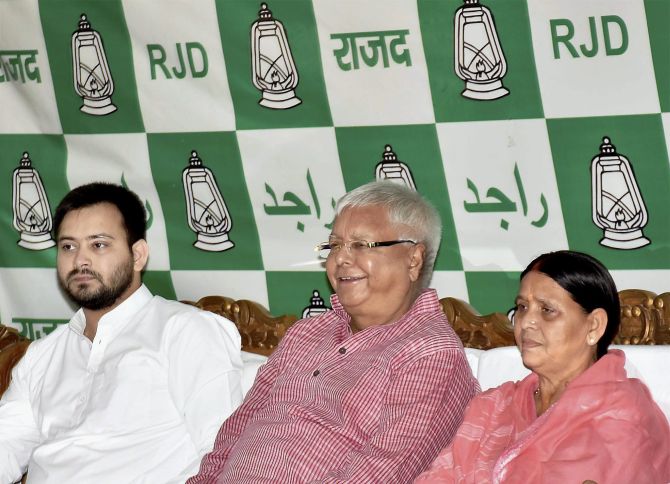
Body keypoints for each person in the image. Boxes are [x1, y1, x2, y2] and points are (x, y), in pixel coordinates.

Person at [189, 181, 479, 483]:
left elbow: (384, 473)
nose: (340, 258)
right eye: (334, 245)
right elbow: (237, 430)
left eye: (360, 245)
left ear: (413, 259)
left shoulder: (430, 354)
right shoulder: (308, 332)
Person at [0, 183, 244, 483]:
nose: (80, 261)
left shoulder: (185, 331)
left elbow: (226, 454)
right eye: (68, 246)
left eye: (98, 244)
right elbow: (5, 448)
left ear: (138, 255)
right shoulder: (43, 356)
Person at [415, 250, 670, 483]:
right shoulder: (494, 406)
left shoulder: (623, 418)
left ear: (593, 326)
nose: (527, 322)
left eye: (547, 310)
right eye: (523, 307)